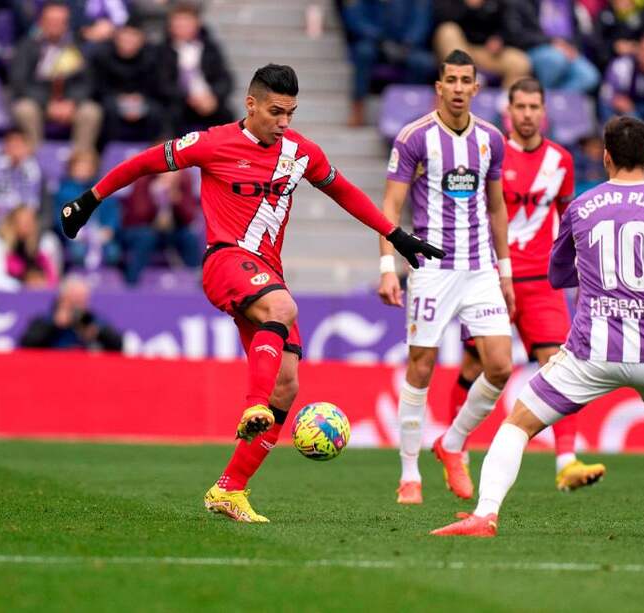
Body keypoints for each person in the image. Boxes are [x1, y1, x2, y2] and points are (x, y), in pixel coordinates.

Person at [58, 63, 443, 522]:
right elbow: (144, 162)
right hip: (225, 260)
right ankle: (252, 406)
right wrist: (91, 199)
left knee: (287, 383)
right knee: (282, 307)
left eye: (291, 113)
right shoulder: (213, 143)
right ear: (251, 104)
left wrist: (395, 235)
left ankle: (230, 489)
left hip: (265, 271)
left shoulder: (301, 153)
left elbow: (345, 193)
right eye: (276, 112)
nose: (284, 122)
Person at [431, 116, 644, 538]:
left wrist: (592, 272)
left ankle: (485, 514)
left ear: (605, 157)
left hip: (590, 353)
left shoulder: (582, 206)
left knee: (519, 423)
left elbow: (556, 274)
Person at [446, 77, 605, 489]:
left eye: (535, 107)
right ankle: (456, 451)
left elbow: (568, 220)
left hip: (541, 281)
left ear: (544, 112)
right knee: (476, 365)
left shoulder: (561, 161)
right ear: (508, 112)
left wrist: (579, 272)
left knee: (559, 366)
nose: (528, 114)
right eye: (521, 107)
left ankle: (566, 462)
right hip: (491, 278)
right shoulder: (490, 153)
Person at [377, 50, 515, 505]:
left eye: (464, 81)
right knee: (421, 365)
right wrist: (388, 267)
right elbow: (391, 207)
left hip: (480, 269)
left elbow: (497, 207)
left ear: (476, 87)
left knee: (500, 366)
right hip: (432, 268)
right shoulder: (415, 137)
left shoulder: (491, 139)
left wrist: (505, 271)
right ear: (439, 87)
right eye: (450, 80)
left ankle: (452, 442)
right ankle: (408, 474)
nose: (457, 88)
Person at [9, 1, 103, 150]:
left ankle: (80, 159)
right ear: (41, 22)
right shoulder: (27, 46)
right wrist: (47, 104)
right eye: (51, 21)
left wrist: (72, 102)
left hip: (71, 104)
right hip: (39, 103)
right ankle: (38, 157)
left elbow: (88, 82)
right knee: (24, 109)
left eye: (60, 21)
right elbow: (19, 82)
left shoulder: (79, 46)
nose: (55, 25)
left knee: (91, 112)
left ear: (67, 24)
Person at [342, 0, 436, 127]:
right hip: (375, 43)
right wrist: (380, 41)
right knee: (363, 52)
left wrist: (407, 44)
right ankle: (358, 106)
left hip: (406, 46)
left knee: (423, 62)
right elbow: (356, 19)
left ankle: (412, 110)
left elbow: (421, 22)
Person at [154, 2, 233, 134]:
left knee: (226, 117)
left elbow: (224, 79)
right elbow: (162, 84)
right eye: (178, 25)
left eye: (187, 24)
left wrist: (213, 96)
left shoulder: (210, 48)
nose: (183, 29)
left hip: (208, 99)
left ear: (197, 24)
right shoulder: (162, 51)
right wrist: (189, 97)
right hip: (179, 102)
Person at [119, 166, 200, 284]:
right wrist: (155, 198)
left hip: (171, 231)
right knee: (146, 237)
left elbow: (189, 217)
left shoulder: (184, 179)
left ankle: (197, 281)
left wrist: (176, 199)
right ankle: (132, 282)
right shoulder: (144, 178)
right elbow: (139, 215)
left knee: (189, 237)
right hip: (141, 230)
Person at [504, 0, 600, 94]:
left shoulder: (569, 3)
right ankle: (541, 97)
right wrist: (551, 42)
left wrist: (573, 47)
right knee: (555, 59)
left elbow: (577, 31)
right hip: (537, 47)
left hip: (566, 49)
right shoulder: (525, 3)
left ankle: (552, 98)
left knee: (588, 76)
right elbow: (518, 34)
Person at [431, 0, 531, 88]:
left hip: (486, 51)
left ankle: (507, 101)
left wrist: (500, 38)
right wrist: (467, 5)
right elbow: (441, 19)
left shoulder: (500, 3)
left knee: (519, 62)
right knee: (447, 30)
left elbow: (509, 27)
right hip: (459, 47)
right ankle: (465, 82)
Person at [19, 276, 123, 351]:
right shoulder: (45, 320)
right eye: (74, 300)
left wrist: (97, 333)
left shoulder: (92, 320)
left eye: (82, 301)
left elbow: (118, 345)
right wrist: (54, 325)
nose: (78, 306)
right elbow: (26, 345)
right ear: (62, 299)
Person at [0, 206, 61, 291]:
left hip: (41, 294)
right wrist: (24, 287)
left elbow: (53, 277)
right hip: (8, 294)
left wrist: (41, 284)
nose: (27, 225)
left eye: (30, 221)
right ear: (12, 222)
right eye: (22, 221)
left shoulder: (45, 243)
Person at [0, 128, 43, 225]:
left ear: (28, 148)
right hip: (1, 223)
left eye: (19, 145)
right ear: (5, 147)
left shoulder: (36, 170)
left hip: (27, 224)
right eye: (12, 145)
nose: (15, 149)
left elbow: (33, 204)